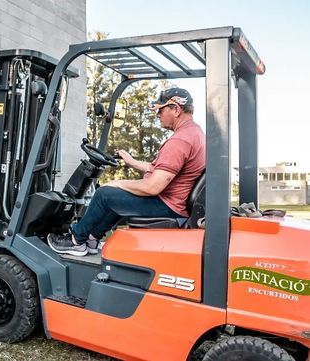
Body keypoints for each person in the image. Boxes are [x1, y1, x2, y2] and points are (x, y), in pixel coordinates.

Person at [48, 87, 205, 256]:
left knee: (104, 194)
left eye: (161, 110)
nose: (157, 114)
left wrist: (118, 183)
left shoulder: (180, 141)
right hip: (174, 202)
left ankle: (75, 240)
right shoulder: (194, 133)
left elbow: (153, 187)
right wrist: (132, 162)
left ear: (176, 109)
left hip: (168, 205)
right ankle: (93, 239)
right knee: (117, 199)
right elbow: (165, 171)